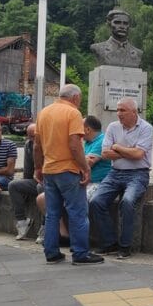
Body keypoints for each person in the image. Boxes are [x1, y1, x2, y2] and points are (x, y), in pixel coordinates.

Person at [34, 84, 102, 265]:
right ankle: (80, 253)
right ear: (75, 98)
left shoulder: (44, 113)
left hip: (49, 170)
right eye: (79, 99)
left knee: (52, 214)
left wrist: (38, 168)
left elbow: (36, 146)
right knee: (78, 213)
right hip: (68, 171)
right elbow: (74, 145)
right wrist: (85, 168)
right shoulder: (73, 113)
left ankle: (51, 252)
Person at [89, 97, 153, 260]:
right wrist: (129, 151)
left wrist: (116, 147)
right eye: (117, 110)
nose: (118, 114)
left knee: (128, 201)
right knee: (96, 201)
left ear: (134, 112)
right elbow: (105, 154)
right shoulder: (112, 127)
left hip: (138, 173)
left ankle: (125, 246)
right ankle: (109, 242)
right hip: (115, 172)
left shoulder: (146, 128)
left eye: (122, 110)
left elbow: (139, 155)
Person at [8, 123, 40, 240]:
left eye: (35, 136)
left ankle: (45, 227)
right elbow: (28, 171)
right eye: (30, 136)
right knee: (13, 185)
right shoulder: (28, 145)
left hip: (49, 182)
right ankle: (22, 222)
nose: (32, 139)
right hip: (35, 180)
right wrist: (25, 187)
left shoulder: (49, 144)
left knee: (41, 188)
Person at [83, 115, 111, 199]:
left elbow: (87, 163)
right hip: (88, 182)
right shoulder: (88, 142)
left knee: (78, 201)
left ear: (88, 129)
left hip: (98, 183)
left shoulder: (102, 141)